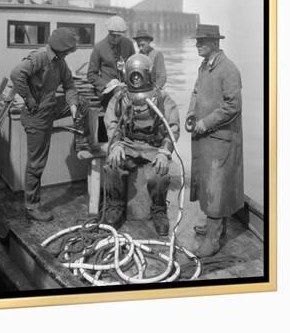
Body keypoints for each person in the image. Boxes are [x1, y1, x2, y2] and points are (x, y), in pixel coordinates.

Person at [10, 28, 84, 222]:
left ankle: (84, 143)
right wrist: (28, 99)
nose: (69, 54)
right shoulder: (41, 57)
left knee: (83, 103)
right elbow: (16, 74)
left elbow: (69, 85)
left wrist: (74, 107)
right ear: (59, 48)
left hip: (50, 109)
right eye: (67, 51)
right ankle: (31, 207)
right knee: (36, 163)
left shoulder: (60, 62)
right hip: (37, 116)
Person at [103, 54, 180, 235]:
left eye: (139, 75)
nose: (136, 79)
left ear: (148, 74)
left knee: (159, 174)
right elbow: (111, 122)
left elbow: (173, 128)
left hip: (153, 147)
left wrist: (164, 152)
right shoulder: (121, 98)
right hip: (127, 144)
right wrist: (116, 145)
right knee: (113, 165)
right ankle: (116, 205)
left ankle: (159, 209)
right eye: (133, 75)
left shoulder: (162, 99)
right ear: (127, 74)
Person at [186, 24, 244, 257]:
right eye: (197, 40)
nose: (197, 44)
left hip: (220, 139)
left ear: (215, 43)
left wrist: (206, 122)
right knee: (206, 183)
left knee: (217, 187)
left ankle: (213, 238)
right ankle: (213, 226)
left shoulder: (228, 69)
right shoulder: (204, 66)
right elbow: (196, 92)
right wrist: (191, 113)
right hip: (204, 137)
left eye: (202, 41)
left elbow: (233, 106)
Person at [87, 15, 135, 110]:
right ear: (108, 32)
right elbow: (91, 75)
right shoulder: (99, 47)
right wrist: (106, 84)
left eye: (119, 36)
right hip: (107, 91)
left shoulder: (129, 44)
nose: (116, 39)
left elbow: (134, 68)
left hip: (126, 87)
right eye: (113, 36)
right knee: (119, 95)